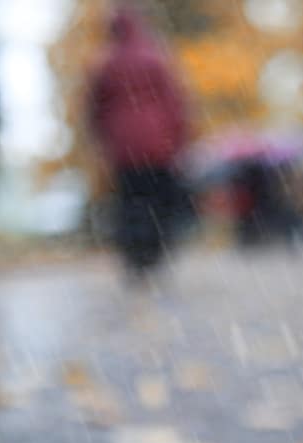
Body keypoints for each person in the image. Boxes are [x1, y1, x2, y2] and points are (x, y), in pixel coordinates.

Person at [89, 4, 190, 281]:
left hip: (123, 147)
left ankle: (135, 258)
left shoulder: (105, 63)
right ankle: (153, 256)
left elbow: (96, 109)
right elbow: (176, 102)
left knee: (131, 202)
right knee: (157, 201)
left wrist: (101, 141)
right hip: (159, 144)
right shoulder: (155, 57)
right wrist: (180, 138)